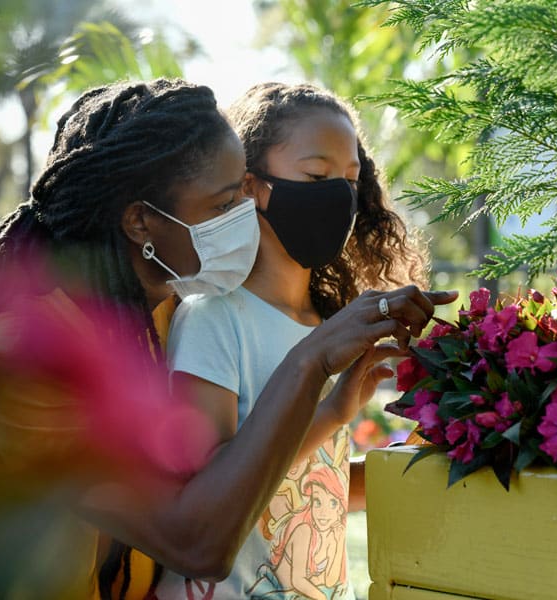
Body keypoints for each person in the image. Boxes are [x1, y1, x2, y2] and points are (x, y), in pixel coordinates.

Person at [0, 78, 436, 599]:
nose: (245, 218)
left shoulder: (157, 319)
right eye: (224, 206)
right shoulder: (26, 356)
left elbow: (264, 481)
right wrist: (310, 361)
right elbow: (198, 546)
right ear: (141, 222)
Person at [155, 81, 457, 599]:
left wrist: (441, 450)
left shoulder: (325, 326)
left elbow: (317, 486)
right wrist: (331, 416)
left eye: (349, 180)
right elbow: (206, 496)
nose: (338, 196)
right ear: (250, 187)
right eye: (316, 176)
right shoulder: (212, 319)